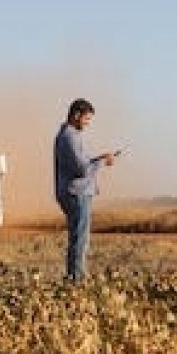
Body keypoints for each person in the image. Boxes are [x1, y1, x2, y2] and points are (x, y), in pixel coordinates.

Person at [54, 98, 115, 282]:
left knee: (77, 237)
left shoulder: (68, 135)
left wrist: (98, 159)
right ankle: (77, 278)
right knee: (80, 239)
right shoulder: (70, 137)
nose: (88, 123)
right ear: (76, 115)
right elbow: (82, 169)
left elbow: (82, 164)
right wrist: (102, 161)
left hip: (74, 192)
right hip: (77, 193)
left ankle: (73, 277)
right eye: (87, 119)